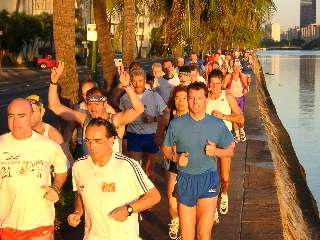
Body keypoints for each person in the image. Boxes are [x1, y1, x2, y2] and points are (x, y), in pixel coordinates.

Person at [162, 82, 235, 240]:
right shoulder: (176, 124)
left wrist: (216, 151)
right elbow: (166, 149)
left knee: (203, 234)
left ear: (206, 99)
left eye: (199, 98)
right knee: (187, 236)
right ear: (187, 100)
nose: (195, 102)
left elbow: (230, 150)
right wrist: (176, 158)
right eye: (191, 98)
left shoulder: (216, 124)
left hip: (208, 179)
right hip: (185, 180)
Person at [67, 118, 161, 240]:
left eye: (98, 141)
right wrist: (78, 212)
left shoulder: (127, 165)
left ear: (111, 140)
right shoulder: (79, 166)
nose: (92, 146)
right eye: (88, 141)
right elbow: (81, 193)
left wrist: (128, 209)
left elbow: (154, 196)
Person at [0, 98, 68, 240]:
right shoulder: (1, 144)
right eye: (11, 116)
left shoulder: (48, 145)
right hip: (6, 223)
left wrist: (55, 188)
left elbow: (62, 169)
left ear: (31, 117)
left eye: (21, 116)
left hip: (39, 223)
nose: (15, 122)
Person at [48, 61, 144, 153]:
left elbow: (139, 109)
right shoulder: (84, 119)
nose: (93, 108)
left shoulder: (115, 120)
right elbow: (54, 106)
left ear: (105, 104)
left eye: (97, 104)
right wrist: (53, 82)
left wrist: (126, 86)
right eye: (90, 104)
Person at [206, 69, 244, 215]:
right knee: (209, 175)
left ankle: (224, 194)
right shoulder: (204, 97)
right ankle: (211, 204)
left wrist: (224, 117)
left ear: (222, 83)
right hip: (207, 140)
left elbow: (240, 118)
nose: (214, 87)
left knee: (224, 177)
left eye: (217, 83)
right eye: (211, 83)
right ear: (208, 83)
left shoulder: (227, 96)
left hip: (224, 138)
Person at [119, 68, 168, 178]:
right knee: (135, 169)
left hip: (151, 136)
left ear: (145, 80)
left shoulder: (154, 96)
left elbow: (167, 115)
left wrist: (154, 119)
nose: (137, 84)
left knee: (149, 170)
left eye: (140, 81)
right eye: (134, 81)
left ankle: (149, 193)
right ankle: (138, 193)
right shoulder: (125, 97)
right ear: (130, 81)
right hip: (133, 135)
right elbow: (121, 117)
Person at [165, 85, 189, 239]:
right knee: (171, 197)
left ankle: (185, 231)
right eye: (177, 98)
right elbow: (160, 137)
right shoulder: (168, 116)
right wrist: (169, 151)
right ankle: (175, 220)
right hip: (173, 161)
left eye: (184, 98)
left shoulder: (195, 117)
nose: (180, 102)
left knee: (187, 200)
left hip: (191, 163)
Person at [26, 94, 74, 165]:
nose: (30, 115)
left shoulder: (52, 135)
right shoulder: (21, 132)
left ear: (42, 112)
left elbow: (69, 161)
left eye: (33, 111)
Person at [223, 61, 248, 143]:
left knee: (240, 117)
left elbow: (246, 87)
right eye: (235, 67)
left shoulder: (243, 76)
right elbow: (223, 86)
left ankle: (241, 130)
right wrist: (226, 89)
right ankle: (237, 135)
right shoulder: (228, 76)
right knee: (234, 117)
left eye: (238, 67)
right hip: (232, 99)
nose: (237, 69)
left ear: (240, 67)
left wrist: (245, 90)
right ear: (232, 67)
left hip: (240, 98)